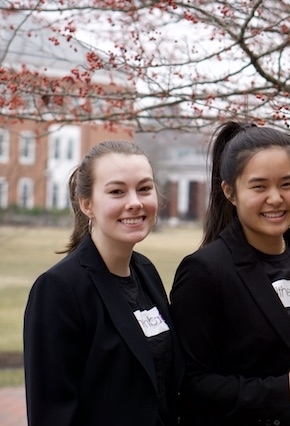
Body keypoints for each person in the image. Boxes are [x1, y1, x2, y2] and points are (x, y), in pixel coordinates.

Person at [169, 122, 290, 425]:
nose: (276, 198)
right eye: (259, 186)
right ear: (230, 191)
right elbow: (189, 386)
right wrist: (284, 391)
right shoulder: (205, 272)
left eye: (288, 184)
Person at [23, 141, 183, 426]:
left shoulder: (146, 271)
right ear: (87, 205)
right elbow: (52, 414)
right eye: (117, 191)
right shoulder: (58, 290)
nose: (134, 201)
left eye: (144, 188)